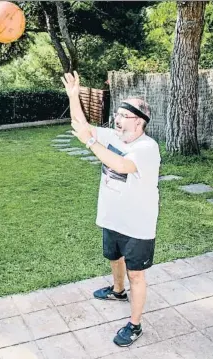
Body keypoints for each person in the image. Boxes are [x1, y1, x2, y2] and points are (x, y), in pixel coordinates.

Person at [61, 71, 161, 347]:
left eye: (123, 115)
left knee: (136, 274)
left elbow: (120, 166)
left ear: (139, 121)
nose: (117, 118)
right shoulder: (113, 136)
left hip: (138, 225)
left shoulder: (147, 148)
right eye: (116, 113)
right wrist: (73, 95)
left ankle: (135, 324)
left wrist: (90, 142)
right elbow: (80, 124)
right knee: (113, 257)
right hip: (112, 217)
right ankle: (117, 291)